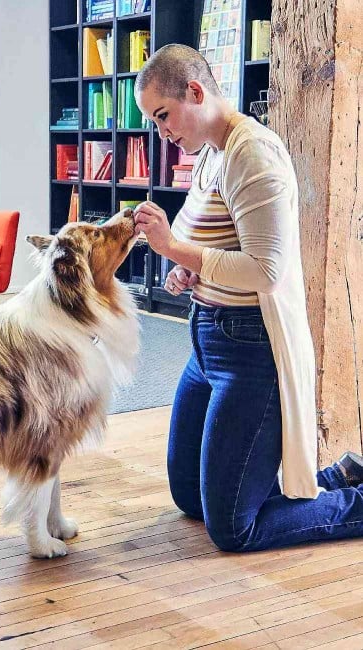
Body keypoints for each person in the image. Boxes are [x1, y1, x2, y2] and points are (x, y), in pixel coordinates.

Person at [132, 43, 363, 552]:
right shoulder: (210, 154)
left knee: (235, 529)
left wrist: (173, 246)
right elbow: (215, 247)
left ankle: (354, 501)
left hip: (249, 350)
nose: (161, 132)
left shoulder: (252, 154)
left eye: (164, 116)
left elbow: (266, 270)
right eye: (153, 121)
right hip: (206, 344)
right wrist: (183, 269)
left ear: (195, 91)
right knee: (190, 496)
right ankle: (340, 475)